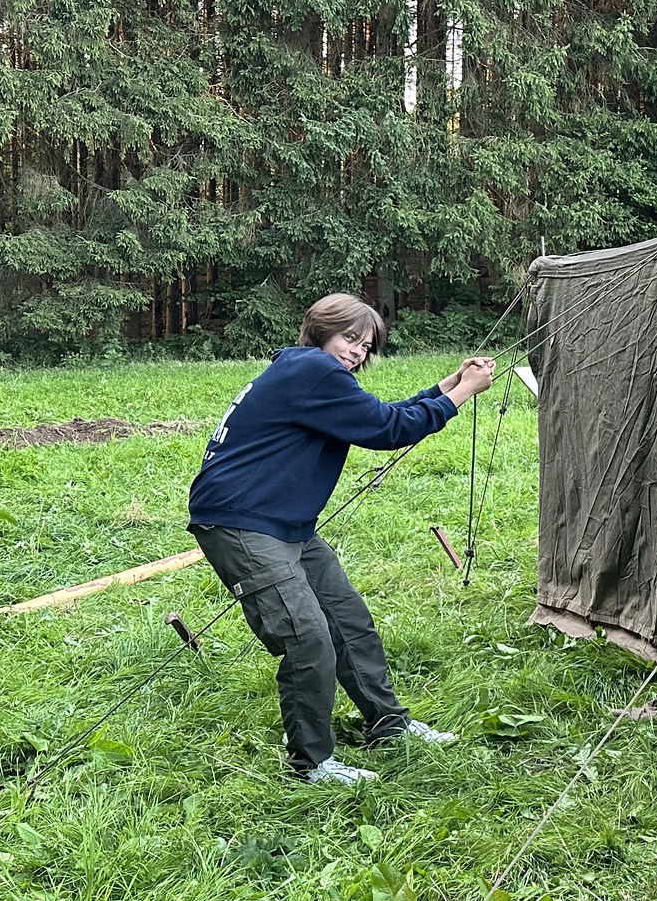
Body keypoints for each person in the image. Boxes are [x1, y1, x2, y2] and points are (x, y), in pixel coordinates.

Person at [188, 293, 496, 784]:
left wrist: (449, 384)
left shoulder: (309, 375)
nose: (357, 352)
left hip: (285, 522)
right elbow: (390, 429)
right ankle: (310, 763)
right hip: (241, 522)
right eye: (350, 338)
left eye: (366, 346)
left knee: (348, 620)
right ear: (321, 330)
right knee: (308, 638)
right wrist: (463, 395)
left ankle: (389, 724)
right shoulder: (312, 371)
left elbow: (379, 414)